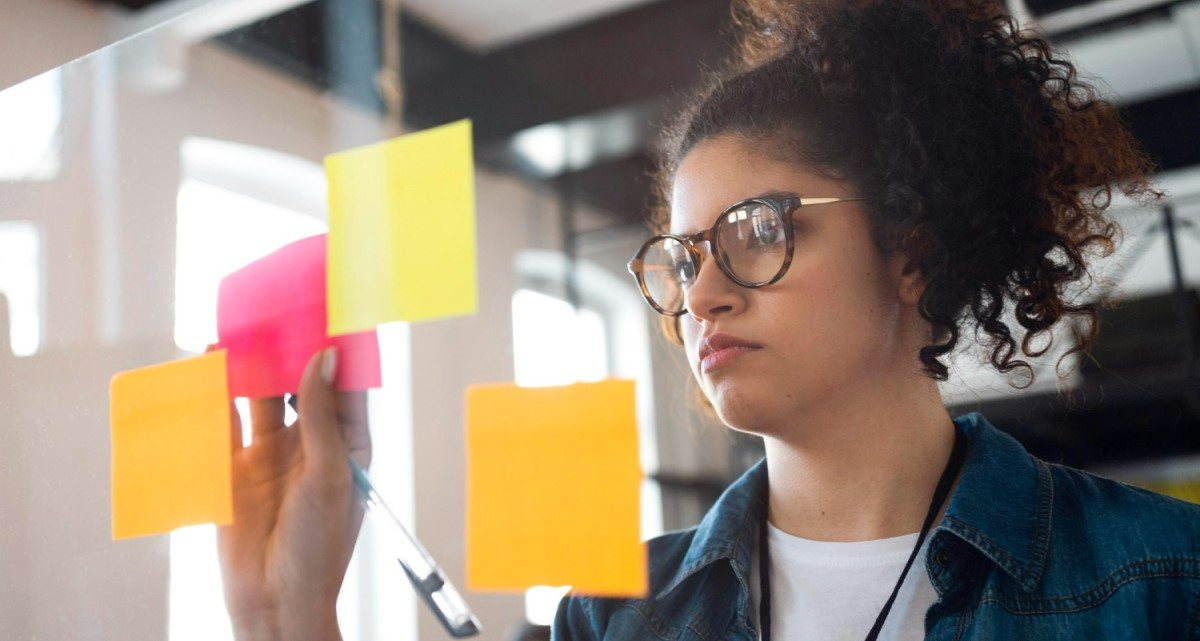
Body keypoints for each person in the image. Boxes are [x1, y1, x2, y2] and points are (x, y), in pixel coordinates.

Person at [217, 1, 1200, 639]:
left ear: (913, 248)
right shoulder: (617, 618)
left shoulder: (1158, 582)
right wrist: (286, 611)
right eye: (683, 257)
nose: (701, 294)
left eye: (757, 230)